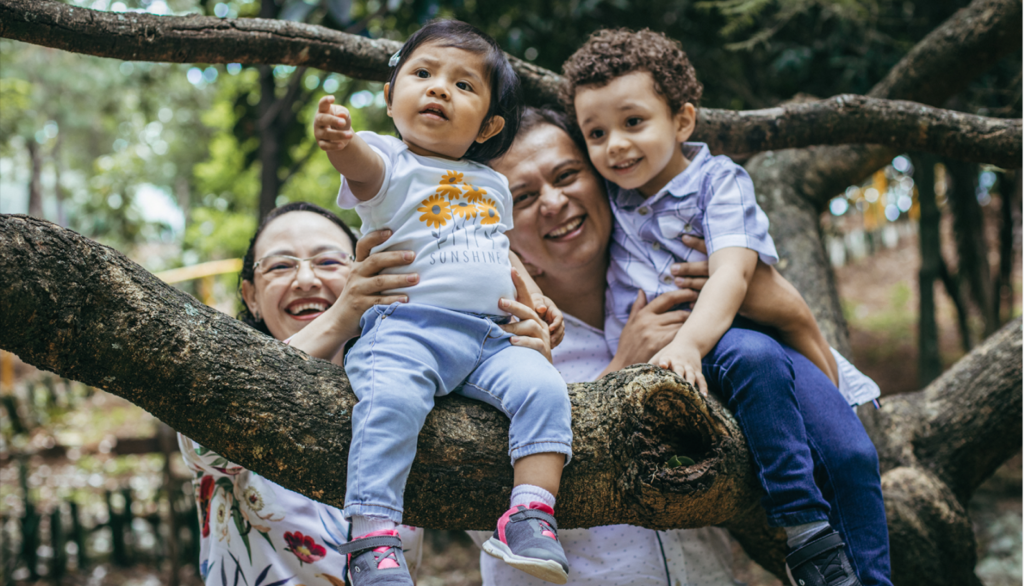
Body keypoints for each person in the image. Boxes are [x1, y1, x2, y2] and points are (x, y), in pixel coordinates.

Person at [485, 107, 890, 586]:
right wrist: (623, 370)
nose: (554, 202)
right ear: (499, 226)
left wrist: (792, 314)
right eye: (524, 197)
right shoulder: (494, 338)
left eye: (567, 175)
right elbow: (480, 488)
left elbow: (831, 436)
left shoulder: (694, 294)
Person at [312, 19, 572, 585]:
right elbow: (360, 165)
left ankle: (530, 514)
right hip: (407, 328)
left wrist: (535, 297)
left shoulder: (492, 182)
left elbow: (498, 249)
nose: (438, 88)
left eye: (463, 85)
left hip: (490, 338)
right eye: (423, 74)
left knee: (546, 388)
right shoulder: (390, 161)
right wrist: (341, 142)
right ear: (390, 97)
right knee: (389, 405)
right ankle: (373, 539)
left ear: (489, 125)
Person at [177, 202, 425, 586]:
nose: (306, 279)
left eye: (329, 262)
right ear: (250, 295)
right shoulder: (224, 386)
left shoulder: (412, 387)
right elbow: (201, 443)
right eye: (280, 266)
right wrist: (338, 319)